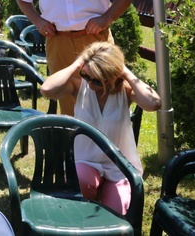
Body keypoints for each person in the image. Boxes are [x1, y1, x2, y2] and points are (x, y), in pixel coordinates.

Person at [40, 41, 160, 215]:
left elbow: (153, 103)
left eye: (95, 80)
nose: (89, 82)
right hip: (85, 162)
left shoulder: (125, 92)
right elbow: (46, 90)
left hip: (118, 167)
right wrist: (77, 64)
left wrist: (125, 71)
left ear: (111, 76)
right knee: (80, 187)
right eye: (86, 75)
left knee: (116, 215)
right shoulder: (79, 86)